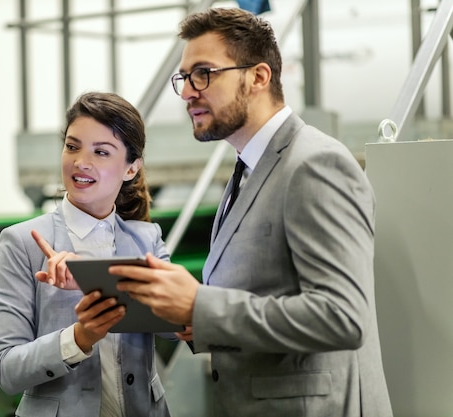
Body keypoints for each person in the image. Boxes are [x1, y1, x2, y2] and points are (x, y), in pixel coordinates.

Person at [113, 7, 393, 417]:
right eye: (184, 78)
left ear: (259, 77)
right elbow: (261, 300)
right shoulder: (247, 170)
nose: (189, 91)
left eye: (204, 73)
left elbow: (342, 317)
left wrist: (200, 305)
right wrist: (187, 320)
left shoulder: (314, 164)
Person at [0, 91, 171, 417]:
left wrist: (97, 279)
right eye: (72, 146)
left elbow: (177, 320)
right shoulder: (21, 243)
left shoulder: (147, 238)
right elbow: (5, 367)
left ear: (131, 168)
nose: (80, 162)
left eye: (101, 152)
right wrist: (79, 337)